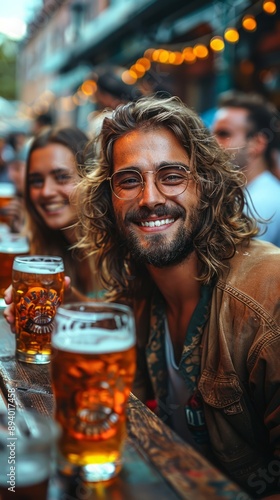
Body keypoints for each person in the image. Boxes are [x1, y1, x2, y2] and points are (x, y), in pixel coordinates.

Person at [67, 95, 280, 498]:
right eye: (129, 181)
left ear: (206, 184)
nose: (149, 198)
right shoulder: (139, 294)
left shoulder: (268, 295)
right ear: (108, 200)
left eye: (172, 175)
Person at [23, 126, 103, 298]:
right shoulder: (49, 249)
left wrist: (67, 298)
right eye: (36, 181)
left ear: (90, 178)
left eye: (61, 177)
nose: (46, 191)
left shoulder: (119, 253)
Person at [212, 90, 280, 247]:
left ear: (256, 144)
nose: (211, 142)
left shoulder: (262, 202)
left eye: (223, 134)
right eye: (211, 133)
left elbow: (232, 264)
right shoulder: (249, 193)